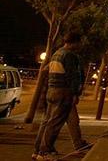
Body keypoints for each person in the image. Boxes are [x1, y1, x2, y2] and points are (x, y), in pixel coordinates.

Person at [33, 32, 88, 160]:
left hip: (52, 91)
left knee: (47, 121)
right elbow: (72, 77)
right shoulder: (69, 56)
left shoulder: (56, 53)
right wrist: (75, 93)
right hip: (63, 92)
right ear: (75, 42)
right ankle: (44, 151)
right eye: (79, 42)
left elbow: (45, 70)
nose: (80, 45)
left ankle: (37, 150)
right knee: (55, 123)